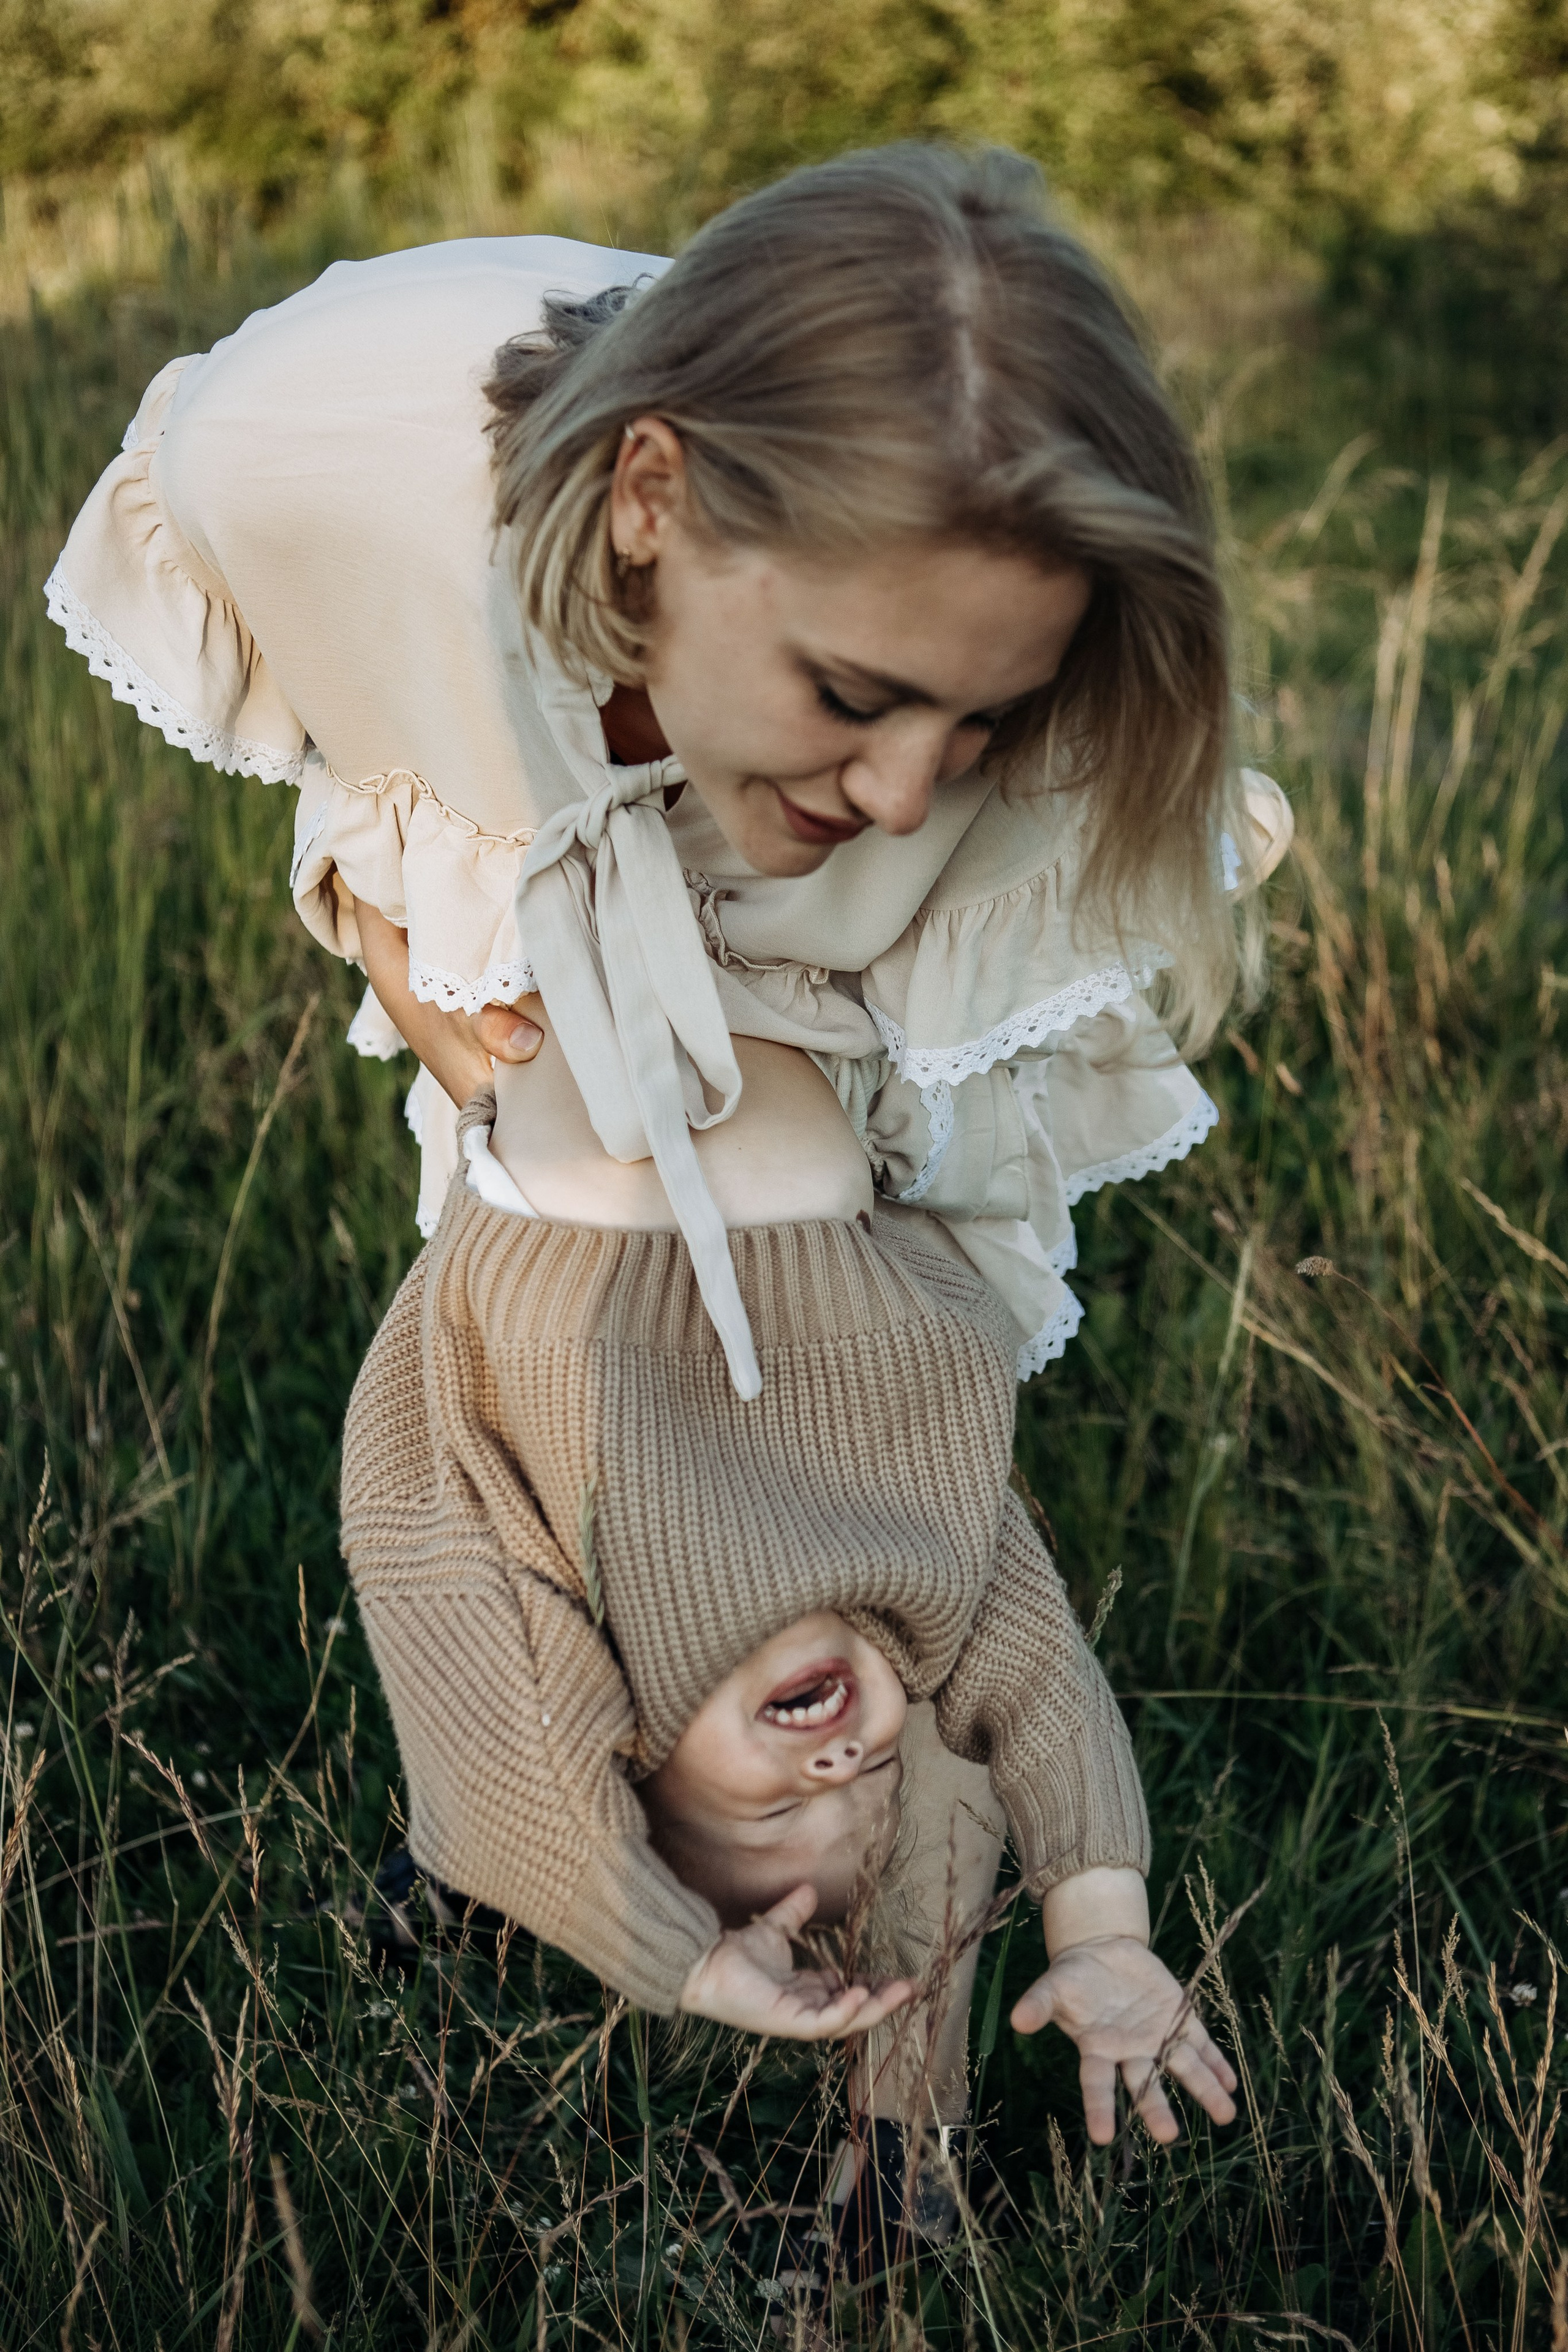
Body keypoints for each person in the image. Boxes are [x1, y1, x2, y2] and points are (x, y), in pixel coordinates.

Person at [45, 142, 1293, 1410]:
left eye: (988, 715)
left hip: (807, 1044)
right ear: (650, 497)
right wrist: (393, 889)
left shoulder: (1038, 695)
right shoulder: (288, 463)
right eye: (850, 697)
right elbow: (356, 675)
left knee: (802, 1253)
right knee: (591, 1259)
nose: (906, 796)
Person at [339, 1073, 1238, 2171]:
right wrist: (1102, 1929)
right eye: (869, 1778)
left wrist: (680, 1957)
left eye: (777, 1816)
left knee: (531, 1823)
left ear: (630, 1747)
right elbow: (1045, 1692)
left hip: (562, 1042)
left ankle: (510, 1889)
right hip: (790, 1017)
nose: (853, 1754)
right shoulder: (916, 1573)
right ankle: (901, 2151)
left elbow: (504, 1761)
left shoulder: (549, 1582)